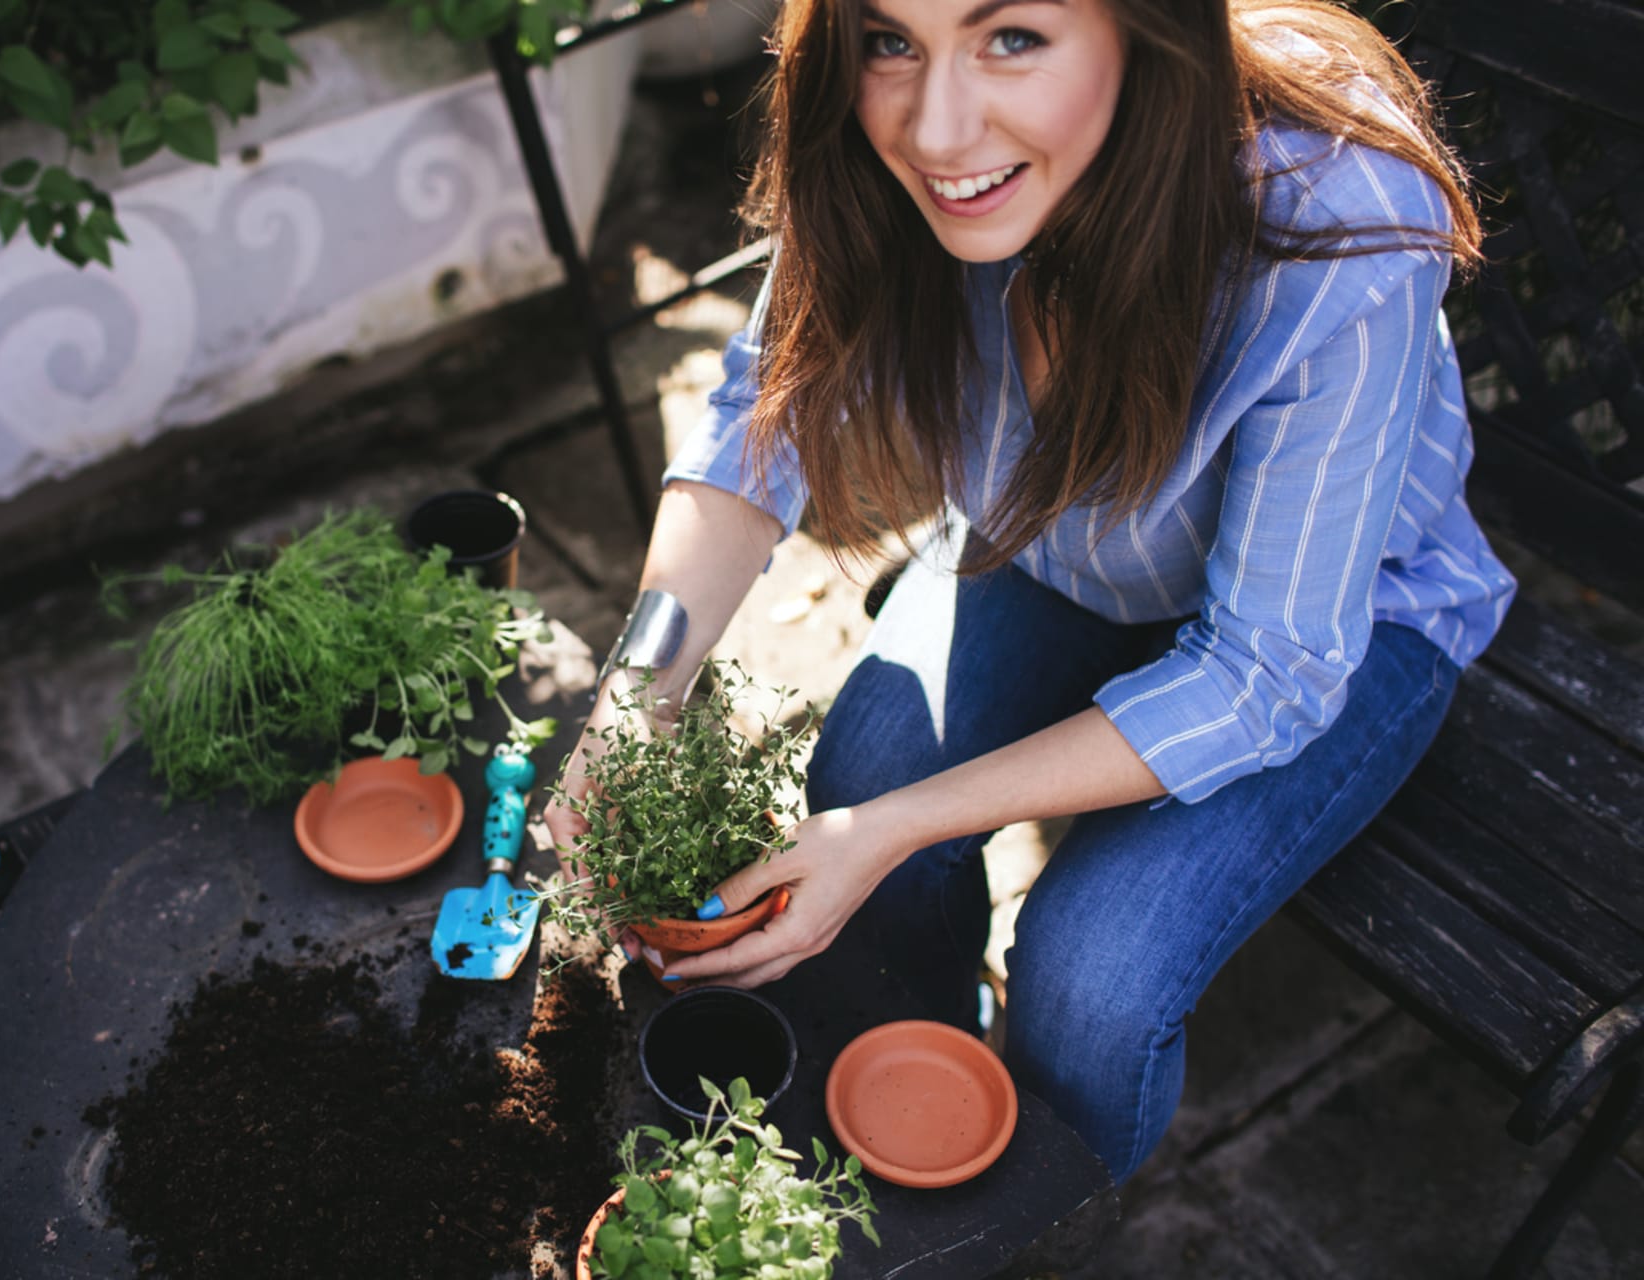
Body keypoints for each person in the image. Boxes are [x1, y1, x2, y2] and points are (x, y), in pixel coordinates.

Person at [547, 0, 1516, 1183]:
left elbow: (1264, 669)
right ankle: (916, 1111)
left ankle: (1047, 1225)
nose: (940, 130)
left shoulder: (1339, 216)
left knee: (1090, 978)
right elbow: (769, 409)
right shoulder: (871, 146)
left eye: (1012, 37)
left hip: (1347, 622)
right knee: (860, 775)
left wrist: (893, 828)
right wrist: (633, 700)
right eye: (890, 40)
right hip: (1056, 548)